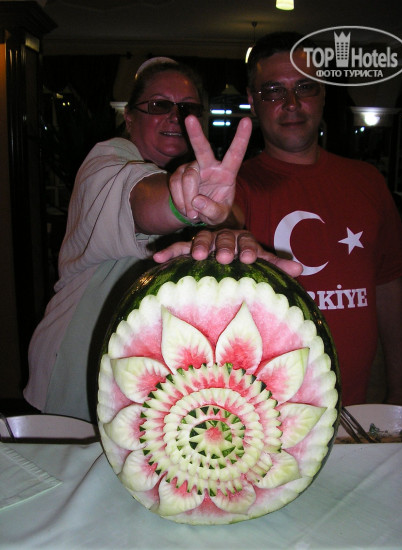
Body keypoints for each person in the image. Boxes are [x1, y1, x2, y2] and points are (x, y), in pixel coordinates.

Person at [24, 57, 299, 422]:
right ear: (130, 117)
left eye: (187, 109)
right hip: (79, 369)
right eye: (158, 105)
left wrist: (217, 216)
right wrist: (182, 201)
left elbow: (227, 222)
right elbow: (142, 200)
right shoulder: (108, 160)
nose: (174, 117)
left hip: (149, 379)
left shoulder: (202, 180)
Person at [230, 32, 402, 407]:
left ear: (324, 93)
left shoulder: (367, 181)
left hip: (355, 409)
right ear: (253, 101)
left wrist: (401, 389)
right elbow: (222, 227)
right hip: (264, 414)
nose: (292, 103)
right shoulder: (236, 188)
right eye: (273, 91)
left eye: (305, 87)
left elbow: (390, 285)